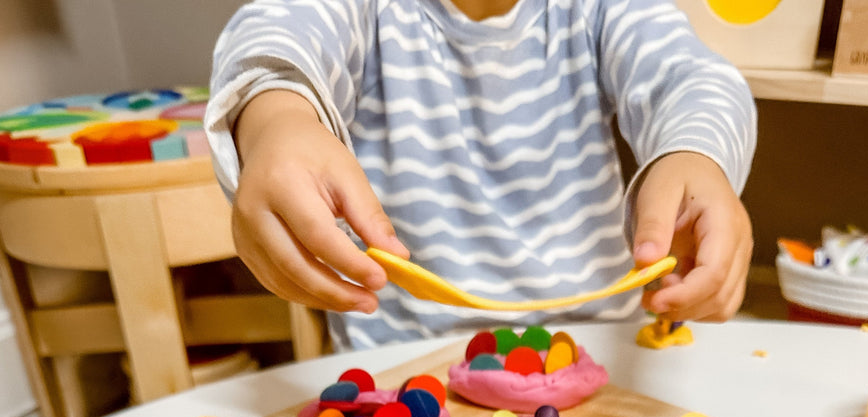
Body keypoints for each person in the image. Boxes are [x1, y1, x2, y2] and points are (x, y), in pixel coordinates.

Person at [205, 0, 756, 350]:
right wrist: (273, 118)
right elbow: (276, 30)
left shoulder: (600, 9)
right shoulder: (367, 11)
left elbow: (693, 77)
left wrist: (697, 155)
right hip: (407, 369)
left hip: (599, 353)